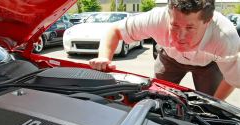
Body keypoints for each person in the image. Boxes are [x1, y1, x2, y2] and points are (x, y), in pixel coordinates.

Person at [89, 0, 240, 100]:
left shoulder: (225, 37)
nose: (180, 36)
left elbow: (233, 78)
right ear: (168, 15)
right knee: (156, 97)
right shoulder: (156, 18)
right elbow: (115, 30)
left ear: (208, 21)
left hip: (208, 65)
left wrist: (214, 103)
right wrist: (104, 57)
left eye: (189, 28)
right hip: (170, 59)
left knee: (210, 104)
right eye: (174, 26)